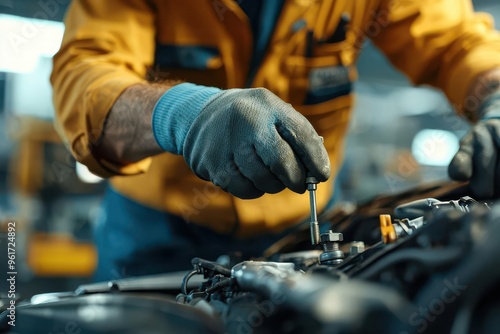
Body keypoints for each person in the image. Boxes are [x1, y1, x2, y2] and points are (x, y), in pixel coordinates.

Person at [51, 0, 500, 281]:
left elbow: (456, 44)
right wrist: (179, 114)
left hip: (306, 234)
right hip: (155, 233)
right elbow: (85, 78)